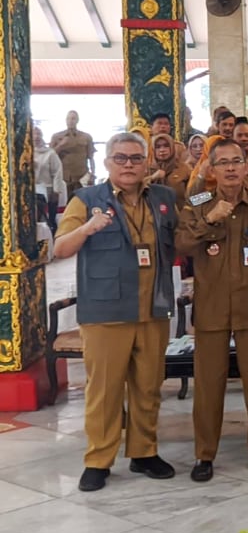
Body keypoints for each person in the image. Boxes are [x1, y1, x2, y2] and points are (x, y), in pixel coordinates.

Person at [53, 132, 179, 492]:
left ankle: (144, 453)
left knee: (148, 387)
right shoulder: (86, 200)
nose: (128, 165)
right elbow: (61, 248)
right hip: (106, 312)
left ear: (146, 163)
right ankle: (98, 459)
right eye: (120, 158)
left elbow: (180, 242)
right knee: (104, 391)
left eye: (136, 158)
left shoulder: (164, 199)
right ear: (107, 163)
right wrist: (90, 228)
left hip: (152, 309)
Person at [178, 139, 248, 482]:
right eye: (222, 162)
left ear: (247, 165)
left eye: (236, 161)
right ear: (211, 169)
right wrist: (210, 219)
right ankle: (204, 455)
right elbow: (182, 245)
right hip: (211, 309)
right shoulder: (197, 204)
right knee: (209, 386)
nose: (230, 168)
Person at [50, 110, 95, 199]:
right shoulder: (56, 136)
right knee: (65, 202)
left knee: (84, 201)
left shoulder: (86, 137)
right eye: (68, 118)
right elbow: (50, 156)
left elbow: (91, 157)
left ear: (77, 120)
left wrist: (92, 173)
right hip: (64, 177)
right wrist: (60, 145)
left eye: (73, 118)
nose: (71, 121)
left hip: (82, 176)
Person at [33, 127, 66, 233]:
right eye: (34, 134)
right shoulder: (25, 153)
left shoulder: (50, 153)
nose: (36, 137)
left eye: (39, 134)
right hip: (31, 190)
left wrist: (56, 191)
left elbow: (57, 172)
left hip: (48, 190)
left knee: (49, 220)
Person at [148, 132, 192, 213]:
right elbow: (136, 190)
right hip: (153, 219)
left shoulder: (184, 168)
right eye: (158, 147)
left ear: (172, 147)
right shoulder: (147, 169)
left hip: (180, 218)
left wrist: (187, 210)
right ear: (153, 150)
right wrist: (152, 178)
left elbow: (199, 196)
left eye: (166, 146)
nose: (162, 150)